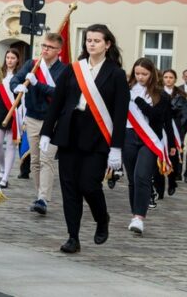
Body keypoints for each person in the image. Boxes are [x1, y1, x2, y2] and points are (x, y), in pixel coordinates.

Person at [40, 23, 130, 254]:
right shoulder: (74, 69)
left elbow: (120, 114)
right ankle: (73, 237)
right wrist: (47, 132)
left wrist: (116, 148)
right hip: (69, 134)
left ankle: (102, 218)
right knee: (70, 188)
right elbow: (57, 102)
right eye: (89, 40)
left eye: (97, 41)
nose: (91, 44)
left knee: (89, 185)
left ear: (107, 44)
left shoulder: (116, 74)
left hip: (98, 138)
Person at [11, 31, 69, 215]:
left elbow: (59, 94)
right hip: (32, 117)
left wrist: (37, 84)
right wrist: (16, 86)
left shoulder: (63, 70)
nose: (45, 49)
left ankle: (43, 198)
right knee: (35, 161)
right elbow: (16, 78)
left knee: (46, 159)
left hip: (52, 120)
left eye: (50, 47)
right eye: (44, 45)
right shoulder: (32, 64)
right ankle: (39, 195)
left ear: (59, 50)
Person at [121, 58, 174, 237]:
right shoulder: (126, 90)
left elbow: (159, 118)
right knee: (132, 179)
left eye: (144, 74)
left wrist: (138, 101)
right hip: (129, 136)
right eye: (137, 73)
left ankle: (139, 218)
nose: (140, 77)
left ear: (152, 74)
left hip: (149, 139)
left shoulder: (160, 94)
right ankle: (134, 213)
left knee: (142, 176)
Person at [0, 48, 23, 188]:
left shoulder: (21, 76)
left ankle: (5, 177)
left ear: (17, 60)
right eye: (8, 57)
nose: (10, 60)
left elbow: (24, 99)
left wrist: (23, 118)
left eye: (13, 58)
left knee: (10, 146)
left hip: (15, 112)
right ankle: (3, 167)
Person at [159, 68, 187, 196]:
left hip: (176, 129)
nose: (168, 80)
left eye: (171, 77)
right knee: (159, 156)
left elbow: (184, 114)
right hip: (161, 128)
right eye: (166, 77)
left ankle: (172, 181)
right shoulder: (157, 92)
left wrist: (179, 129)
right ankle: (159, 187)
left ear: (175, 79)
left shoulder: (181, 95)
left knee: (173, 156)